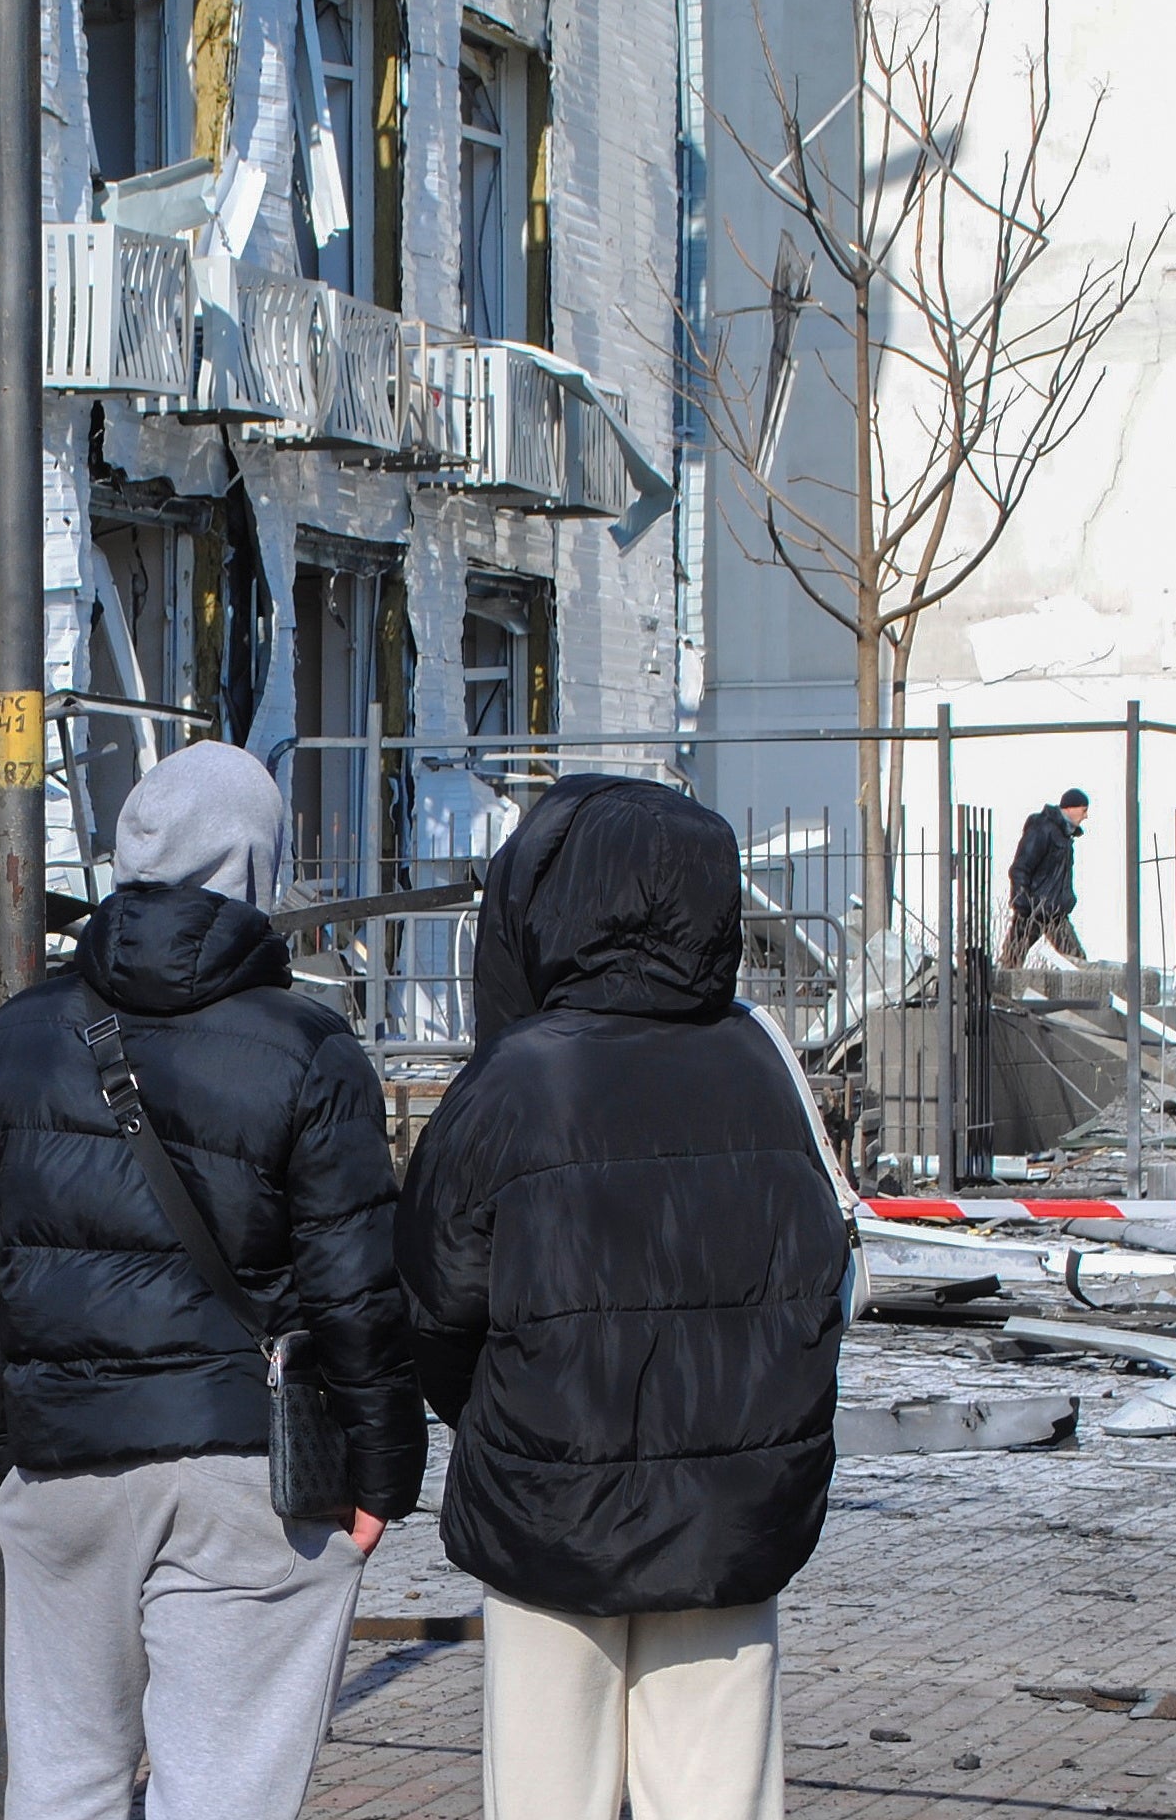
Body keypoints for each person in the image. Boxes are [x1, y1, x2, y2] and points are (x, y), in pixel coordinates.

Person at [0, 740, 426, 1820]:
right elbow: (357, 1285)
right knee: (226, 1785)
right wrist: (384, 1478)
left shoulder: (12, 1041)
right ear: (254, 866)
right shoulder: (311, 1047)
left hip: (61, 1460)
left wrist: (3, 1455)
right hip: (243, 1464)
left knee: (62, 1777)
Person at [397, 776, 846, 1820]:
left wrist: (506, 1412)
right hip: (730, 1508)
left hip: (549, 1496)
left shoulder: (517, 1077)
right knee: (717, 1791)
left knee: (549, 1786)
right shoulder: (760, 1062)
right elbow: (822, 1275)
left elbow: (435, 1292)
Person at [1003, 787, 1091, 967]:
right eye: (1084, 810)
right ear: (1070, 808)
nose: (1086, 816)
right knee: (1011, 962)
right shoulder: (1042, 828)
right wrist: (1023, 904)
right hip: (1033, 910)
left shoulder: (1064, 835)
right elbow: (1021, 868)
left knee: (1078, 964)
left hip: (1054, 912)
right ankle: (995, 995)